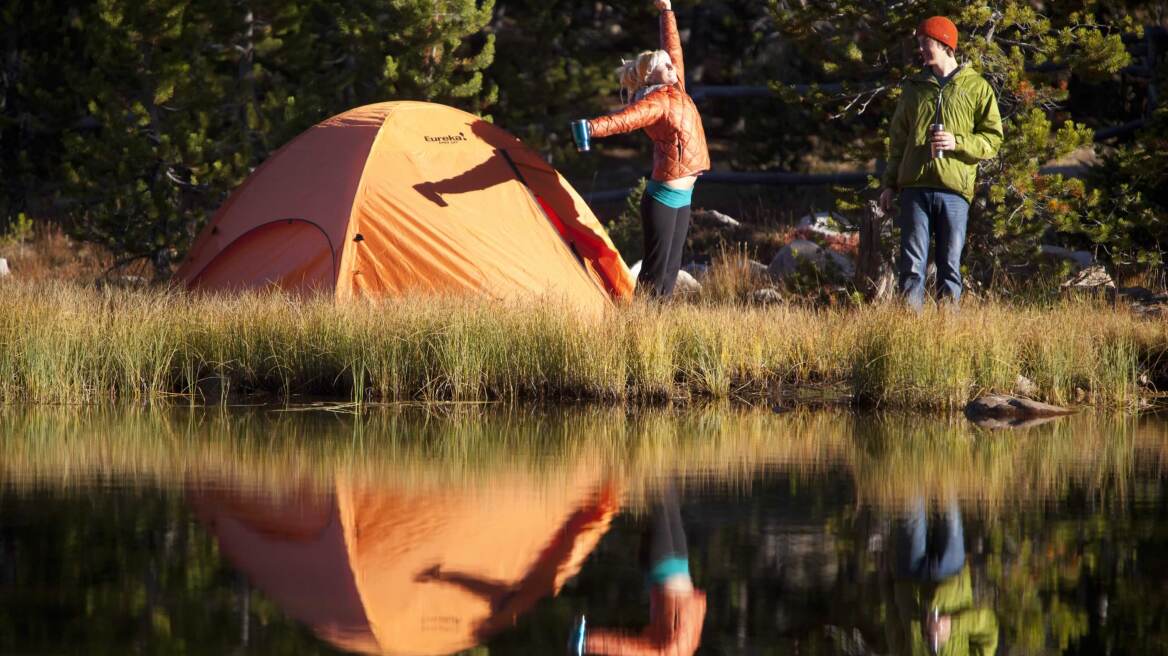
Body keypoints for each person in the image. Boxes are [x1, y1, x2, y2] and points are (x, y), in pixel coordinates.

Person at [575, 0, 711, 298]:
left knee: (671, 271)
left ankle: (657, 324)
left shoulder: (675, 87)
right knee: (655, 272)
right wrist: (591, 128)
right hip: (663, 198)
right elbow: (623, 120)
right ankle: (638, 322)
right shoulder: (654, 103)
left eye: (671, 65)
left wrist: (666, 11)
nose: (673, 67)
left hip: (683, 195)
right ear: (651, 77)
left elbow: (673, 48)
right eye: (665, 66)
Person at [878, 16, 1003, 310]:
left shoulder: (977, 87)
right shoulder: (914, 87)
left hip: (955, 191)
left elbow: (992, 140)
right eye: (920, 43)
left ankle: (948, 330)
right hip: (915, 188)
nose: (921, 50)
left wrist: (956, 142)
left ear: (946, 45)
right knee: (912, 267)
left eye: (926, 43)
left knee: (950, 267)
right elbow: (898, 141)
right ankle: (911, 328)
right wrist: (889, 184)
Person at [568, 481, 706, 655]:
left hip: (660, 567)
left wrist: (588, 643)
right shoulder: (688, 650)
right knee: (668, 497)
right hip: (681, 566)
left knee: (659, 501)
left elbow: (625, 648)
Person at [883, 496, 998, 655]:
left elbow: (893, 629)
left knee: (909, 502)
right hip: (952, 575)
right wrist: (952, 625)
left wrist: (886, 583)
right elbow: (988, 629)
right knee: (947, 501)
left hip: (909, 577)